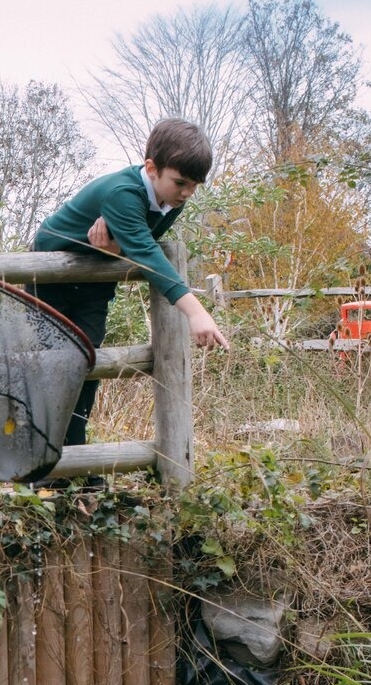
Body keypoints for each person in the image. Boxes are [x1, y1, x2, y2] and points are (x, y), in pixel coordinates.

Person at [32, 116, 229, 449]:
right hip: (53, 278)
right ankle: (49, 468)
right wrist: (196, 312)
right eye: (180, 182)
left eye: (194, 186)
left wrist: (114, 249)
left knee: (87, 368)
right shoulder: (123, 192)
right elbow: (148, 254)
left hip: (93, 283)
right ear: (151, 168)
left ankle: (77, 464)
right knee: (56, 369)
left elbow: (135, 245)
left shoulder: (170, 201)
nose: (187, 193)